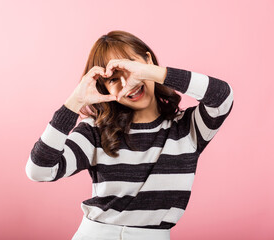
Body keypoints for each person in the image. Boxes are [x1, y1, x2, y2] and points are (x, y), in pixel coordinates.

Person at [25, 30, 234, 240]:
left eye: (131, 68)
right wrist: (74, 102)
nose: (128, 83)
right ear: (105, 88)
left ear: (148, 60)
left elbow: (222, 96)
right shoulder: (95, 132)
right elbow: (40, 170)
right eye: (114, 79)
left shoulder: (187, 128)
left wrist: (154, 73)